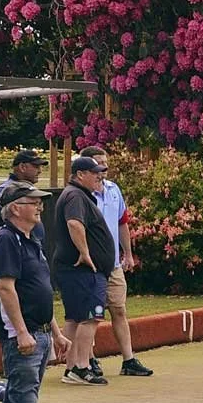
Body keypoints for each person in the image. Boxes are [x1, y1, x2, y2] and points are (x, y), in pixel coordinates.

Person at [0, 182, 71, 403]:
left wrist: (56, 333)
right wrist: (22, 333)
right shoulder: (6, 240)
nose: (39, 207)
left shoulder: (31, 239)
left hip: (41, 333)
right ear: (14, 208)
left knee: (14, 402)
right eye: (33, 202)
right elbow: (6, 288)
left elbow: (40, 291)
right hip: (22, 336)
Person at [79, 146, 151, 378]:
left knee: (119, 310)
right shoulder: (81, 195)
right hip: (91, 265)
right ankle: (88, 360)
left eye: (105, 164)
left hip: (113, 264)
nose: (103, 169)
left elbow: (122, 223)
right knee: (91, 315)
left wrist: (128, 254)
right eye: (97, 164)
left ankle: (128, 360)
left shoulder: (113, 190)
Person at [53, 156, 115, 386]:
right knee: (92, 316)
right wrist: (86, 253)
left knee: (76, 317)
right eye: (94, 172)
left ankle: (71, 368)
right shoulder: (76, 195)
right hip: (83, 270)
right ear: (81, 174)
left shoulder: (76, 194)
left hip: (77, 270)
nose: (99, 176)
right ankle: (81, 366)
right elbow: (74, 223)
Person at [0, 150, 48, 240]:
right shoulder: (11, 188)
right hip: (17, 246)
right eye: (36, 166)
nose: (40, 171)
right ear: (22, 167)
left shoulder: (18, 187)